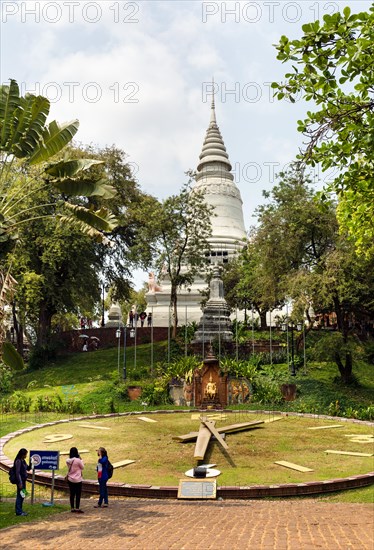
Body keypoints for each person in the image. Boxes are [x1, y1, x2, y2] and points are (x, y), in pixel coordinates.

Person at [66, 447, 84, 513]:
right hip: (78, 479)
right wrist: (81, 459)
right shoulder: (78, 460)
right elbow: (82, 467)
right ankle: (77, 508)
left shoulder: (68, 460)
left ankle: (72, 508)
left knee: (72, 494)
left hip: (70, 479)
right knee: (78, 494)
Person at [14, 448, 31, 516]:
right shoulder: (18, 461)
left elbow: (28, 468)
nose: (26, 456)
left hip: (23, 481)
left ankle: (20, 510)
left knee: (22, 495)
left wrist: (31, 463)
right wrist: (20, 483)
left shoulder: (23, 461)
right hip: (20, 482)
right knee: (20, 496)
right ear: (22, 454)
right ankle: (18, 511)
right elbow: (17, 473)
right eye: (25, 454)